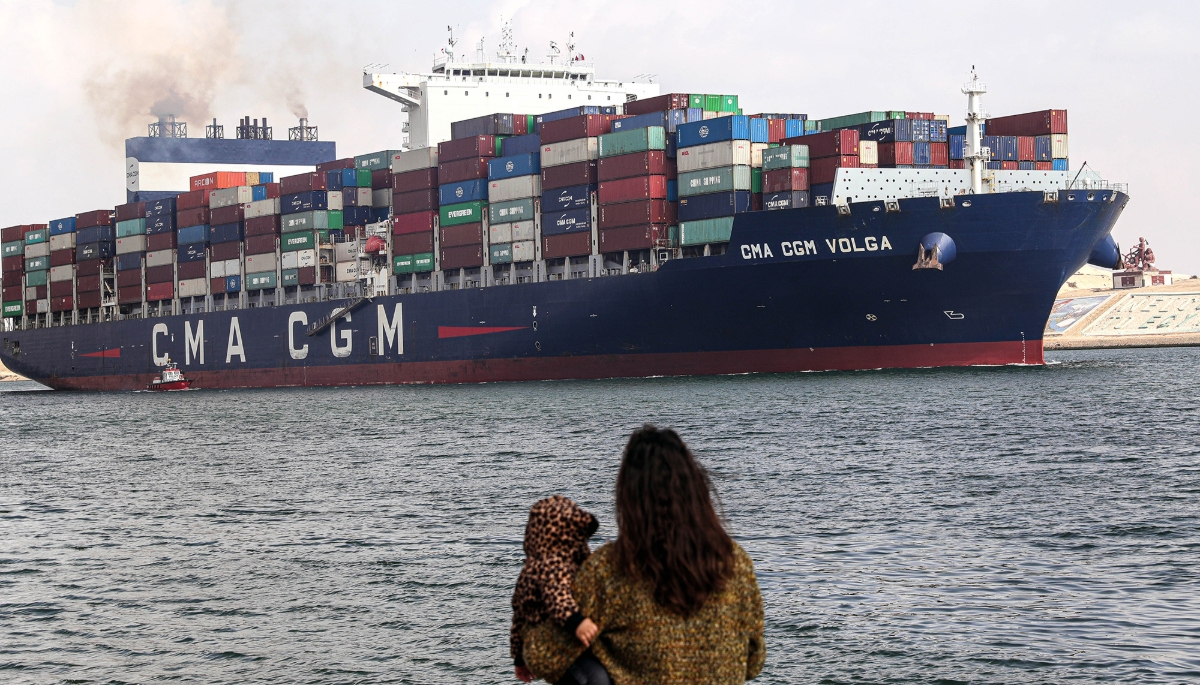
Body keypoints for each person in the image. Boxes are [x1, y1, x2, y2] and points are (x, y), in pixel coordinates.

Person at [520, 426, 765, 684]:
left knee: (587, 666)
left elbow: (542, 657)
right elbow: (753, 662)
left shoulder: (610, 569)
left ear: (627, 495)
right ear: (696, 490)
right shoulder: (736, 561)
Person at [511, 495, 611, 685]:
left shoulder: (570, 565)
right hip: (551, 644)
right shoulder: (549, 566)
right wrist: (577, 622)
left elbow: (518, 621)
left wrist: (519, 660)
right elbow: (557, 597)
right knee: (597, 679)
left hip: (560, 643)